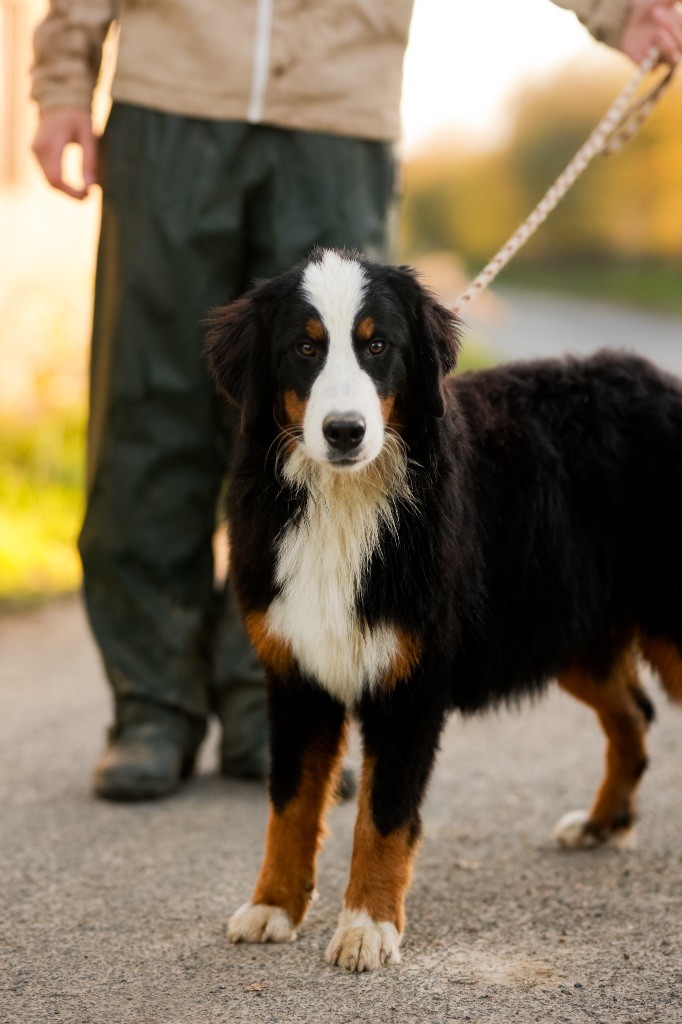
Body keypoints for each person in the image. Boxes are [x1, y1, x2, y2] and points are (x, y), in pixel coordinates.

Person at [30, 0, 682, 802]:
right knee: (148, 403)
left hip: (339, 103)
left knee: (351, 407)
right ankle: (150, 703)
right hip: (174, 91)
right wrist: (63, 77)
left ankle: (266, 693)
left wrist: (624, 11)